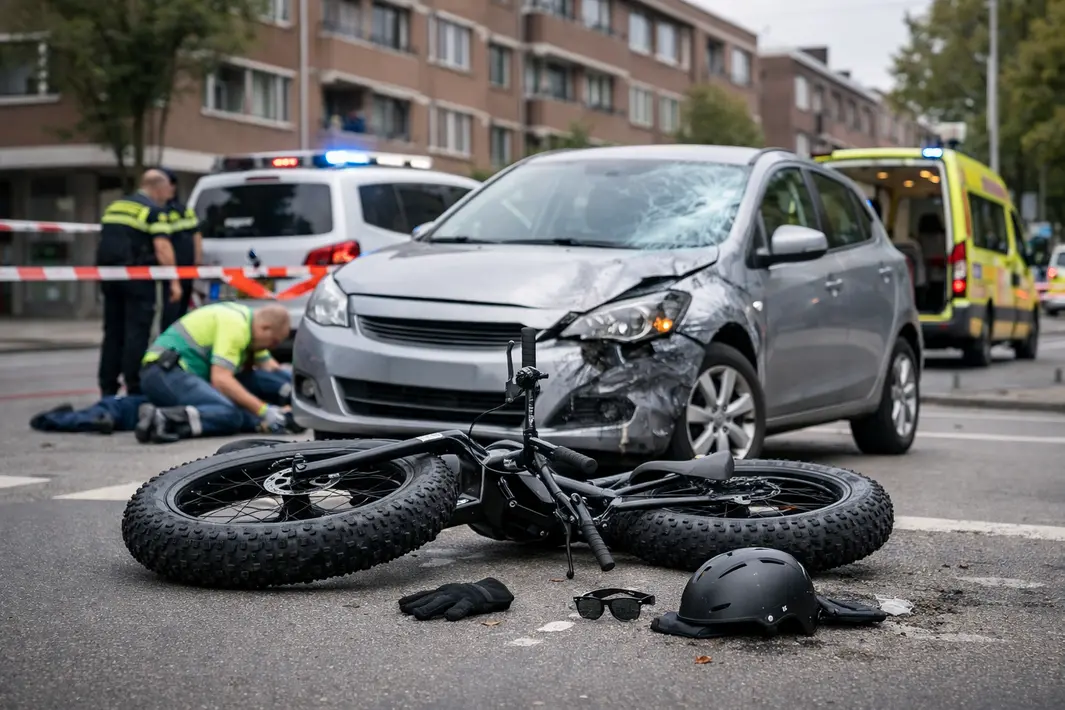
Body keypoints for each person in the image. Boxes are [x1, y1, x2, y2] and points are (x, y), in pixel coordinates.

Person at [135, 302, 303, 443]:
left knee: (250, 388)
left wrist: (301, 392)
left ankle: (112, 411)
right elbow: (221, 380)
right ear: (264, 328)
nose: (272, 348)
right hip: (165, 372)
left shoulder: (247, 323)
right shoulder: (236, 327)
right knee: (228, 413)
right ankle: (164, 418)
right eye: (273, 342)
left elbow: (272, 370)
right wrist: (265, 411)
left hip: (165, 373)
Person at [96, 169, 181, 396]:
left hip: (109, 278)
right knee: (137, 332)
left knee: (113, 332)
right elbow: (163, 248)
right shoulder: (153, 211)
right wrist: (174, 282)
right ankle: (134, 386)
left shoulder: (115, 207)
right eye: (167, 191)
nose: (168, 196)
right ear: (158, 188)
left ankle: (107, 387)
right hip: (138, 279)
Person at [158, 168, 202, 332]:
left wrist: (197, 259)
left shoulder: (185, 211)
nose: (171, 188)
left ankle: (179, 345)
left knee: (182, 309)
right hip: (168, 269)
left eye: (172, 184)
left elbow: (196, 234)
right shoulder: (158, 212)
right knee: (170, 309)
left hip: (187, 268)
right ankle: (166, 346)